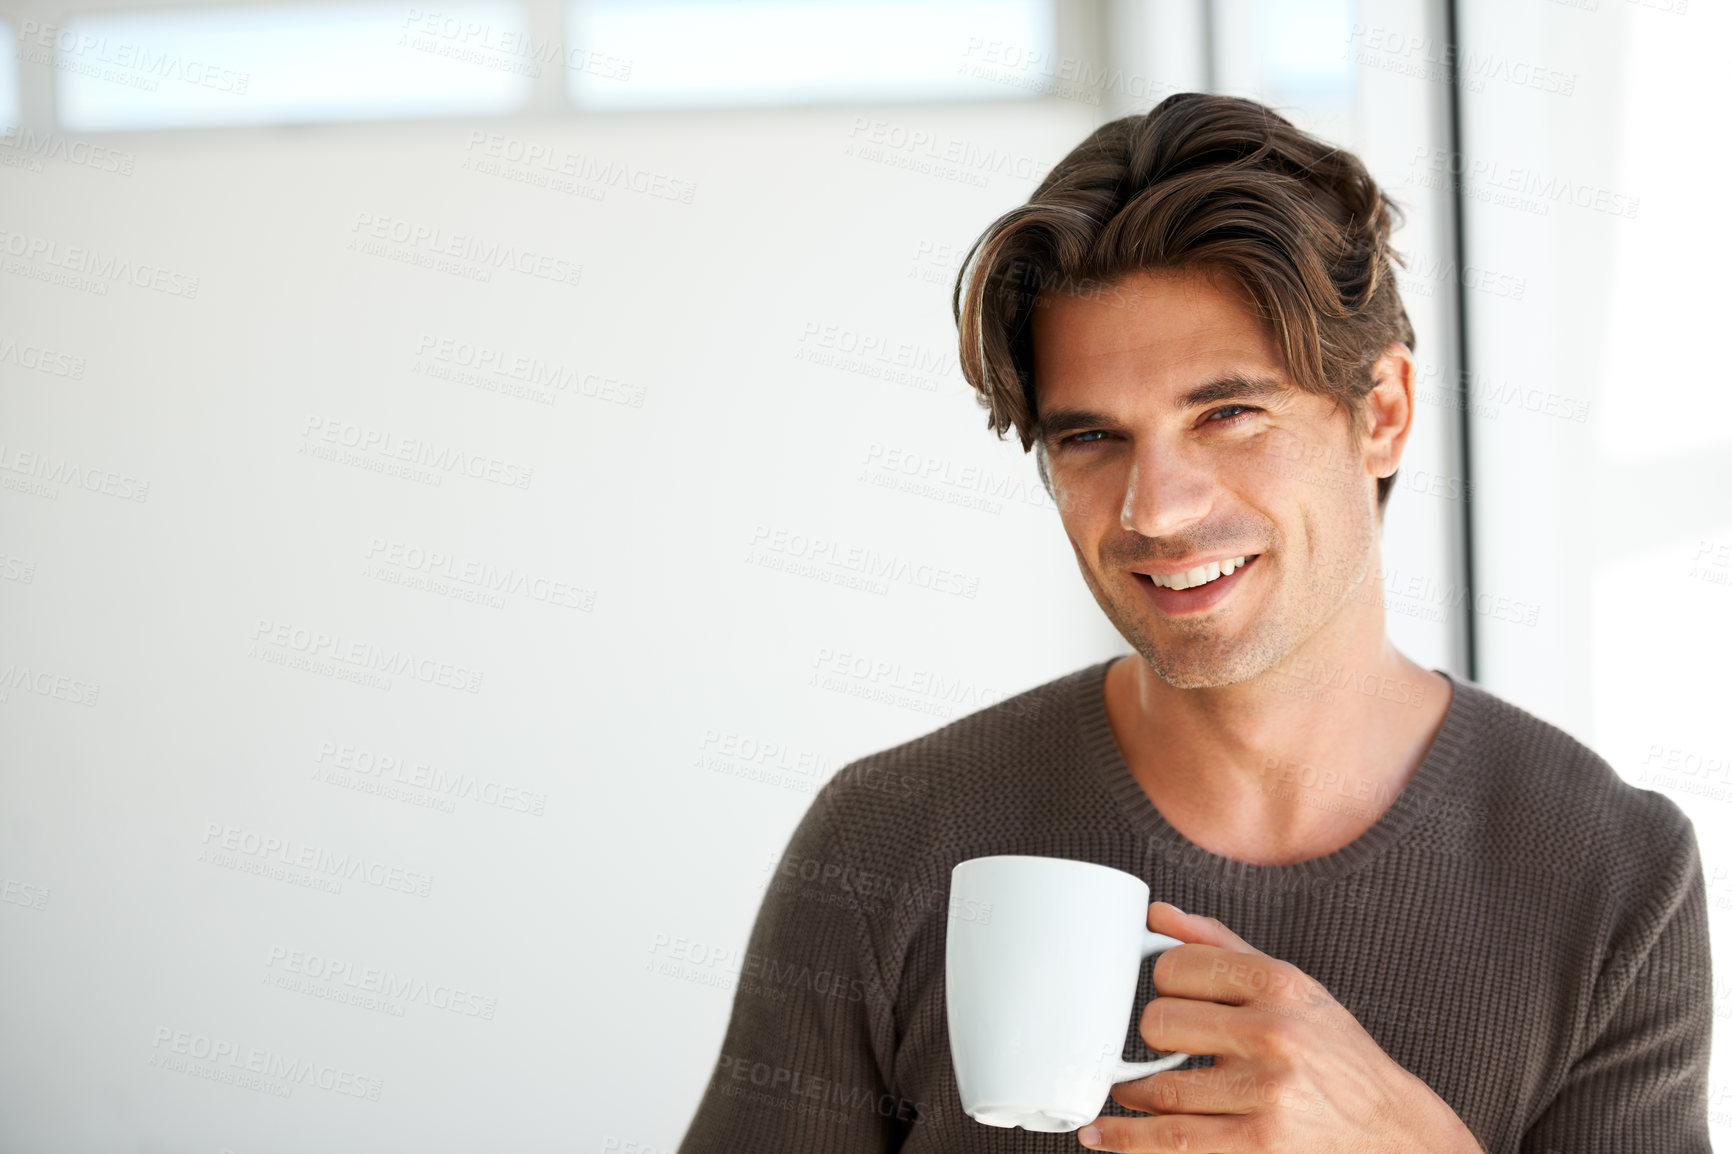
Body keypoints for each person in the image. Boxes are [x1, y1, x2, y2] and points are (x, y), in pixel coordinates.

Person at [673, 93, 1710, 1153]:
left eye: (1227, 413)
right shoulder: (885, 837)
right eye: (1089, 438)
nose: (1154, 508)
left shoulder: (1611, 871)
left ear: (1383, 412)